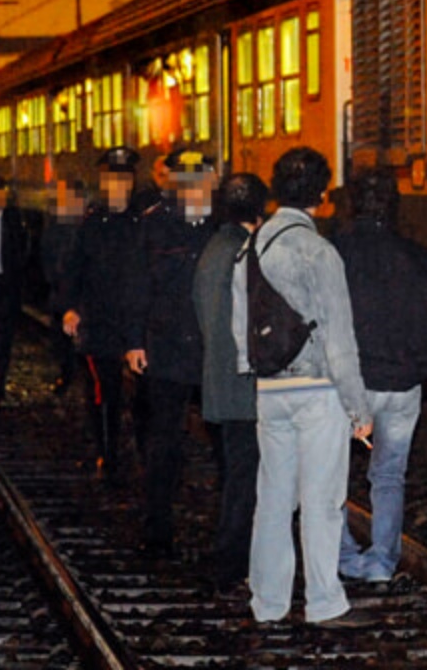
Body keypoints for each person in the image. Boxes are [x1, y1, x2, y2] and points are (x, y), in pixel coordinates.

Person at [231, 147, 375, 628]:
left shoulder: (250, 247)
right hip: (318, 393)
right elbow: (340, 338)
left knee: (272, 498)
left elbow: (239, 325)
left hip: (271, 390)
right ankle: (324, 601)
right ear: (320, 196)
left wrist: (254, 371)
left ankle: (268, 602)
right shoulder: (320, 252)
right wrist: (358, 409)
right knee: (321, 500)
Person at [333, 170, 427, 583]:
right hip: (402, 386)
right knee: (390, 475)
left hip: (350, 385)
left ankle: (342, 554)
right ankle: (381, 561)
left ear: (351, 206)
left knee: (331, 473)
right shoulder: (419, 258)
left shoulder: (334, 254)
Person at [124, 147, 219, 557]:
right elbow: (137, 286)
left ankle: (230, 531)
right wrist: (134, 340)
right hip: (167, 346)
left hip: (217, 351)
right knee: (164, 441)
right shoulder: (154, 227)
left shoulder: (225, 224)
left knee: (228, 443)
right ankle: (157, 527)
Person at [193, 173, 266, 596]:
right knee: (244, 478)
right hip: (243, 387)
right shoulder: (244, 252)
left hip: (220, 381)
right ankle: (232, 561)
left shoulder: (212, 249)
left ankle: (232, 556)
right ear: (260, 211)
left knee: (236, 474)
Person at [62, 147, 142, 481]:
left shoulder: (144, 220)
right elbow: (75, 269)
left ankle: (140, 452)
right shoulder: (92, 223)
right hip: (100, 322)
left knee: (144, 397)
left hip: (138, 320)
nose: (118, 184)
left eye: (124, 177)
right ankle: (107, 456)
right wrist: (71, 308)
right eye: (112, 178)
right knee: (103, 393)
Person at [40, 180, 88, 396]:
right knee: (61, 337)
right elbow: (46, 254)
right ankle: (67, 371)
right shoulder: (56, 226)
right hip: (60, 290)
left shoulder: (87, 226)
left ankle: (72, 373)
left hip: (78, 291)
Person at [0, 176, 27, 411]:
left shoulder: (13, 219)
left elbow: (22, 248)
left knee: (2, 340)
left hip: (4, 285)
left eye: (0, 196)